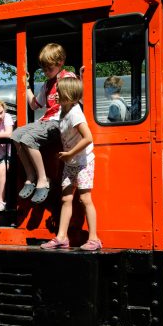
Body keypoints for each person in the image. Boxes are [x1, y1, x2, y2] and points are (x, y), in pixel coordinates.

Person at [40, 77, 102, 251]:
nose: (55, 95)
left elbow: (88, 138)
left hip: (83, 162)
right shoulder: (63, 111)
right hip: (71, 161)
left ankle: (94, 239)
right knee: (66, 198)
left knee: (84, 199)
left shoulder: (75, 113)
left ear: (68, 94)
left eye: (58, 92)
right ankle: (61, 237)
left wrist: (69, 153)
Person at [11, 43, 76, 204]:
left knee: (28, 138)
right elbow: (34, 104)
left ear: (60, 62)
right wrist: (26, 85)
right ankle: (31, 175)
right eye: (44, 69)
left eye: (49, 68)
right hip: (46, 121)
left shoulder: (68, 77)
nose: (46, 72)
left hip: (60, 122)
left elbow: (78, 97)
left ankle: (43, 179)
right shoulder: (47, 84)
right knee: (16, 134)